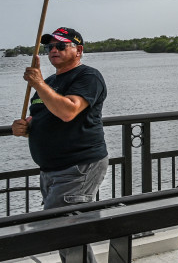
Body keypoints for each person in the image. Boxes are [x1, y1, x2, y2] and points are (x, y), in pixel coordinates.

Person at [10, 27, 108, 263]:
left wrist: (38, 83)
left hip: (78, 165)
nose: (54, 50)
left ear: (78, 50)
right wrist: (24, 127)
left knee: (62, 227)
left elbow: (68, 111)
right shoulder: (51, 81)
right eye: (50, 47)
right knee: (67, 230)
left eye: (61, 46)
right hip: (52, 169)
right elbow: (43, 115)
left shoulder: (88, 77)